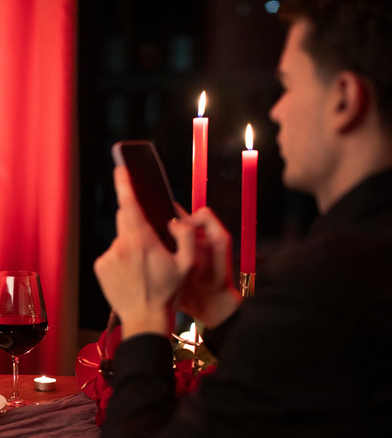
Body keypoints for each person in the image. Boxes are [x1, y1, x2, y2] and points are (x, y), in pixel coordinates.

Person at [94, 0, 392, 436]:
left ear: (344, 98)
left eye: (288, 86)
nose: (276, 110)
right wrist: (220, 308)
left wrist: (142, 322)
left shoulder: (320, 287)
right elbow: (301, 384)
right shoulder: (358, 266)